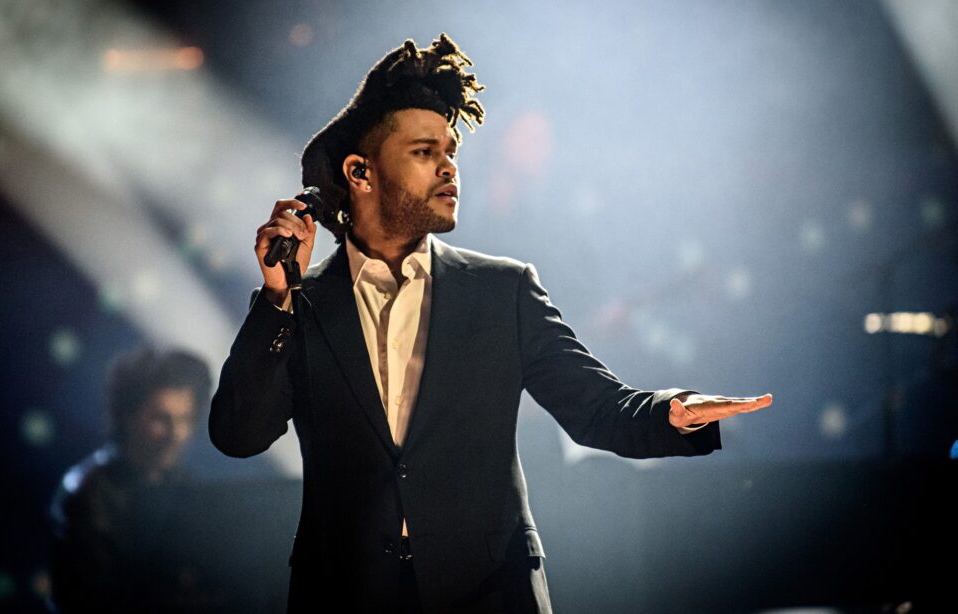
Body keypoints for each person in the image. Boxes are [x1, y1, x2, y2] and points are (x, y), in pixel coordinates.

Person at [209, 33, 773, 614]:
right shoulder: (300, 306)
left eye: (450, 151)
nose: (449, 166)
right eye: (424, 152)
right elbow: (238, 435)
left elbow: (597, 408)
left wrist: (673, 410)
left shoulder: (502, 290)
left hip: (489, 593)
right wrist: (277, 297)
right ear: (361, 171)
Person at [48, 346, 213, 613]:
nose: (175, 434)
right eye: (161, 418)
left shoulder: (184, 485)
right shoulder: (87, 492)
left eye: (184, 419)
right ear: (127, 416)